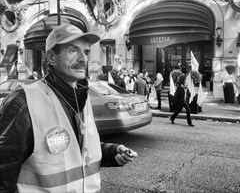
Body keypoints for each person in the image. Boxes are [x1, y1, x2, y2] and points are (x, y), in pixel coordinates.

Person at [0, 24, 137, 192]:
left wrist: (111, 153)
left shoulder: (81, 97)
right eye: (73, 51)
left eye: (85, 52)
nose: (83, 59)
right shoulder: (23, 103)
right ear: (51, 57)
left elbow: (76, 150)